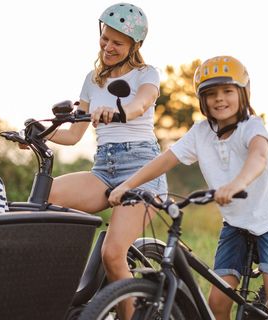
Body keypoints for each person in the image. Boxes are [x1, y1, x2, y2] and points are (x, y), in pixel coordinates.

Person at [108, 56, 268, 319]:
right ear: (202, 100)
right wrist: (127, 185)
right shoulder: (201, 133)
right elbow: (165, 160)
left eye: (227, 91)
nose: (219, 99)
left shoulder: (251, 127)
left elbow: (258, 157)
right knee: (218, 303)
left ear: (243, 94)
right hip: (236, 224)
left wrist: (236, 185)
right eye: (210, 94)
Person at [42, 2, 167, 316]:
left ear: (133, 46)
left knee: (114, 253)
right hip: (103, 169)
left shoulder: (146, 74)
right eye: (105, 38)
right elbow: (73, 135)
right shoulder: (92, 79)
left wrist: (118, 112)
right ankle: (69, 284)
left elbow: (140, 104)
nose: (108, 47)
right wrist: (39, 134)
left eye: (118, 43)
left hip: (142, 170)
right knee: (46, 195)